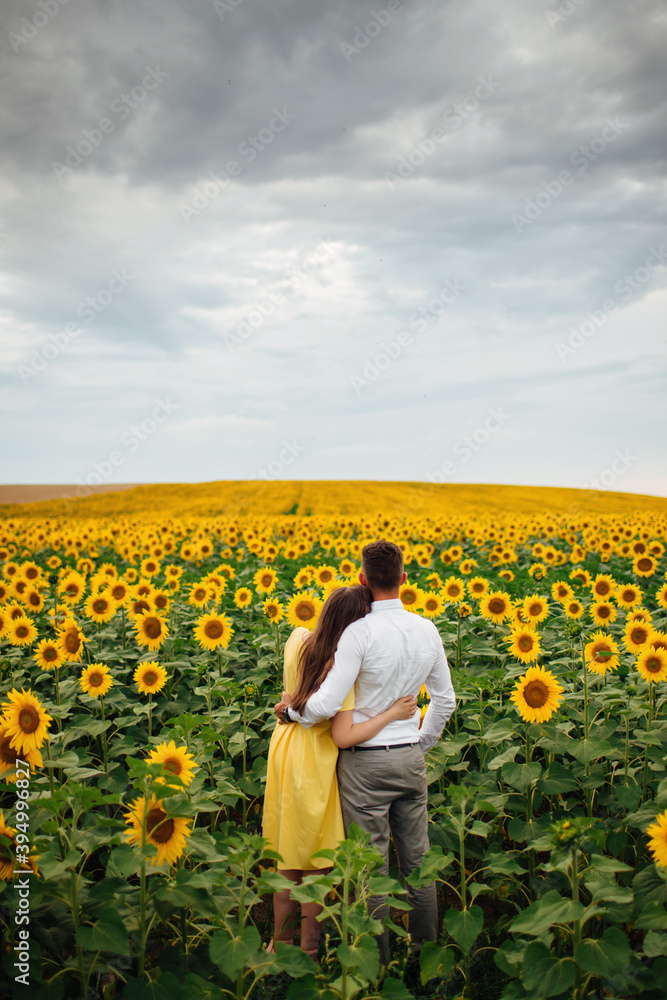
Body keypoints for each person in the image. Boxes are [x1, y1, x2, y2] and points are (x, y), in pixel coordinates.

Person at [277, 540, 456, 965]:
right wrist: (419, 741)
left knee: (371, 870)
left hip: (365, 765)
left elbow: (325, 705)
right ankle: (423, 957)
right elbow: (445, 701)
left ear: (362, 579)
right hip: (410, 758)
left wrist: (292, 713)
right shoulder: (427, 629)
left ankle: (376, 962)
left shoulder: (358, 632)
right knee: (419, 866)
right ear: (404, 579)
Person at [262, 583, 419, 961]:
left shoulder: (297, 638)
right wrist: (393, 715)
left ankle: (277, 944)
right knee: (315, 861)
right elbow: (344, 735)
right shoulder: (341, 671)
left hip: (284, 748)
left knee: (287, 855)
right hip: (315, 761)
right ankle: (309, 950)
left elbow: (291, 698)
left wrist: (287, 704)